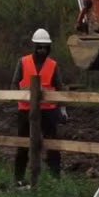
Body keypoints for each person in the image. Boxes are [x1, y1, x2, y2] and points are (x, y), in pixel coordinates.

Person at [13, 28, 66, 185]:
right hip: (26, 110)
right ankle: (19, 179)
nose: (42, 50)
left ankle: (54, 180)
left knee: (53, 147)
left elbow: (59, 88)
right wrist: (24, 94)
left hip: (48, 111)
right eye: (40, 47)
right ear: (34, 46)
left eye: (45, 47)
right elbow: (14, 85)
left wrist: (62, 109)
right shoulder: (23, 62)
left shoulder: (53, 65)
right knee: (23, 145)